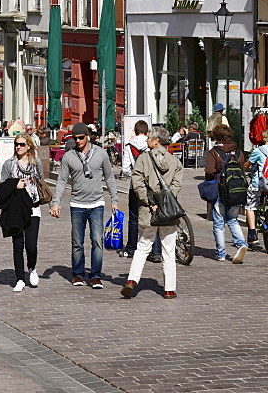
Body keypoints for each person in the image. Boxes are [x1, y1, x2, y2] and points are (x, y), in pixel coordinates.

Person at [50, 121, 118, 288]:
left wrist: (114, 200)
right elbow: (62, 180)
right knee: (77, 241)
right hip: (77, 204)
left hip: (97, 203)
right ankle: (78, 274)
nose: (78, 141)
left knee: (97, 240)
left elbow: (109, 177)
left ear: (88, 137)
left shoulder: (101, 154)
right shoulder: (68, 157)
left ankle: (95, 275)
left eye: (81, 137)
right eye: (75, 138)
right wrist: (56, 202)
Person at [121, 127, 183, 299]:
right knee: (169, 251)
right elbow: (176, 186)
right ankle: (169, 289)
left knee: (143, 246)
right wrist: (165, 200)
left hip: (149, 210)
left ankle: (132, 280)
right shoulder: (175, 162)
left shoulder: (143, 159)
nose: (147, 140)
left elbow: (137, 182)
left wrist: (149, 202)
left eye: (149, 138)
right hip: (168, 211)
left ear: (156, 141)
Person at [0, 133, 46, 292]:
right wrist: (14, 185)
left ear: (28, 146)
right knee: (18, 245)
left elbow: (40, 182)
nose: (18, 147)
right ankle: (19, 278)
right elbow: (2, 187)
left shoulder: (36, 163)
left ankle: (32, 268)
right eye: (16, 144)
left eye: (21, 144)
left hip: (33, 208)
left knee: (31, 245)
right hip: (16, 210)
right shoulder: (9, 164)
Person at [204, 123, 249, 263]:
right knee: (233, 219)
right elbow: (242, 168)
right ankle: (241, 244)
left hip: (220, 190)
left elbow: (210, 171)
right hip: (235, 190)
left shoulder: (214, 152)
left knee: (218, 223)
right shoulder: (238, 151)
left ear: (216, 136)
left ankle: (221, 253)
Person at [119, 120, 162, 263]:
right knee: (153, 216)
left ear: (135, 131)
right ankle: (156, 251)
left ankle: (131, 248)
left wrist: (133, 174)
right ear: (147, 132)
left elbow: (125, 169)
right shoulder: (152, 145)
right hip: (152, 185)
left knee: (133, 217)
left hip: (135, 187)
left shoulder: (129, 146)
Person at [245, 128, 268, 248]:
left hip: (259, 184)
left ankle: (252, 234)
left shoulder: (259, 151)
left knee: (250, 206)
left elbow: (246, 165)